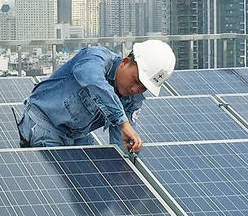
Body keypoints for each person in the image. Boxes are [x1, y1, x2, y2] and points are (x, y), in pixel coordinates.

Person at [17, 40, 175, 153]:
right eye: (136, 80)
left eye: (143, 87)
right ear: (125, 62)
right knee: (58, 180)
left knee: (90, 176)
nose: (135, 89)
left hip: (76, 135)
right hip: (44, 123)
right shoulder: (96, 57)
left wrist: (126, 163)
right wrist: (123, 122)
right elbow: (92, 80)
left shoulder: (132, 99)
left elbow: (121, 140)